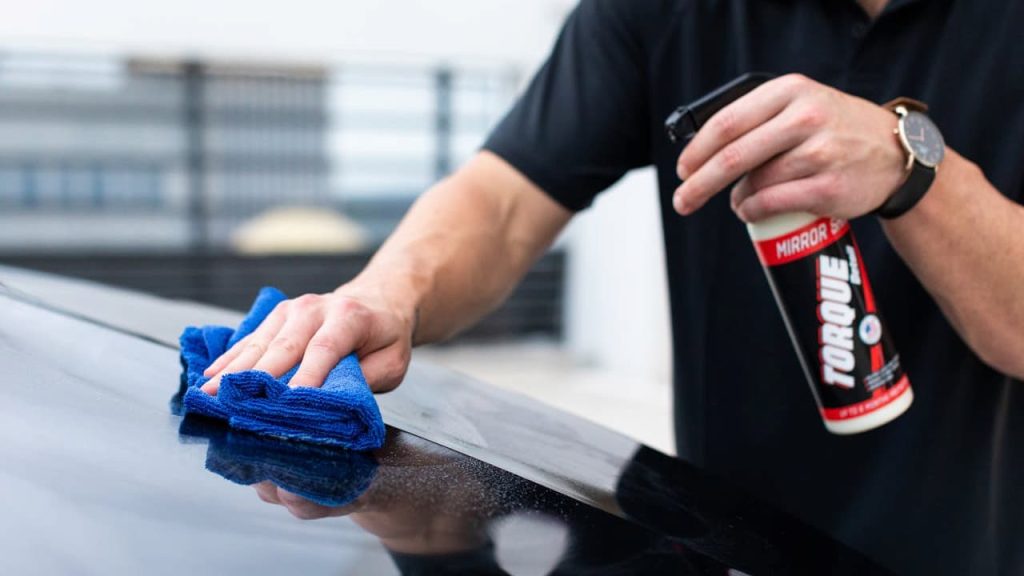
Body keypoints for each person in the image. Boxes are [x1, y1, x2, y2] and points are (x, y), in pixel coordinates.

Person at [200, 1, 1024, 573]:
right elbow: (505, 201)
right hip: (734, 545)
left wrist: (915, 166)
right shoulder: (662, 10)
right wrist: (388, 292)